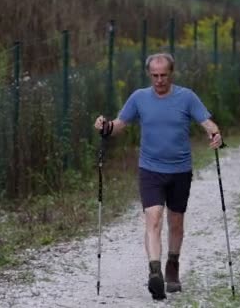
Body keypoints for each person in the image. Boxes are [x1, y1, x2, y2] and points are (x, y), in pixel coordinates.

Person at [94, 53, 223, 300]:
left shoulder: (187, 97)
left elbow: (207, 123)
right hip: (150, 170)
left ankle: (172, 266)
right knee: (153, 218)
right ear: (149, 75)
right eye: (155, 76)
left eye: (163, 75)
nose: (159, 80)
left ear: (171, 74)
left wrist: (216, 135)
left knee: (175, 222)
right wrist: (105, 126)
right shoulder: (139, 98)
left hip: (180, 170)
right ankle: (155, 273)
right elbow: (119, 124)